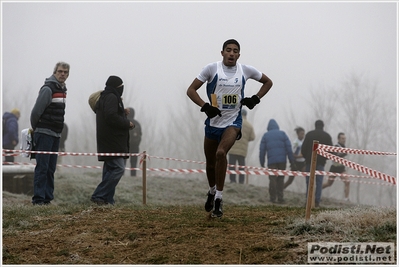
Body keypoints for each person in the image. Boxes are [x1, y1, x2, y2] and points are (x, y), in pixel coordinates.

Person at [186, 39, 273, 218]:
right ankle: (211, 191)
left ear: (238, 55)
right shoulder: (211, 69)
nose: (232, 53)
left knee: (220, 154)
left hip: (233, 123)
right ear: (222, 52)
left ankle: (219, 198)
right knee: (210, 164)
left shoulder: (245, 70)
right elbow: (191, 90)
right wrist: (205, 106)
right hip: (213, 123)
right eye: (228, 50)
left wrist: (255, 99)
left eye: (235, 51)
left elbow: (268, 82)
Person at [30, 61, 70, 205]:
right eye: (60, 71)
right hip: (44, 132)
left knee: (51, 168)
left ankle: (47, 198)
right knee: (42, 167)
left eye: (65, 72)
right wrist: (37, 129)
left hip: (56, 134)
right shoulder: (48, 89)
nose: (62, 74)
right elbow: (36, 112)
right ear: (55, 72)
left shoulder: (63, 89)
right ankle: (39, 199)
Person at [91, 76, 135, 205]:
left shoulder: (105, 97)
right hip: (113, 141)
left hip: (107, 140)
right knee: (118, 168)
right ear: (117, 87)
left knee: (110, 169)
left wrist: (122, 111)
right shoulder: (112, 97)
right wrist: (127, 123)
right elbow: (111, 116)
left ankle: (107, 200)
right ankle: (99, 195)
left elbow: (110, 113)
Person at [259, 119, 295, 204]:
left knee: (272, 178)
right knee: (281, 178)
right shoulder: (283, 134)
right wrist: (292, 161)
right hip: (282, 161)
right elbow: (289, 148)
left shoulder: (266, 135)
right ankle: (280, 197)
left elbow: (262, 150)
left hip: (271, 161)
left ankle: (272, 198)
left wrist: (262, 161)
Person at [301, 120, 333, 208]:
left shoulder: (309, 134)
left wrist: (307, 158)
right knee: (319, 183)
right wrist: (324, 159)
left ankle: (308, 201)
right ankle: (317, 201)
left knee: (309, 182)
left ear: (315, 125)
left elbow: (303, 149)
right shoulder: (327, 136)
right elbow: (331, 150)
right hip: (320, 163)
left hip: (309, 162)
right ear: (323, 126)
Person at [228, 109, 255, 184]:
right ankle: (241, 181)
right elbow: (253, 137)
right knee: (241, 166)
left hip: (232, 148)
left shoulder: (234, 122)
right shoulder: (249, 126)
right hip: (242, 150)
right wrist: (246, 139)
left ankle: (232, 180)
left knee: (232, 165)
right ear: (246, 115)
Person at [322, 132, 350, 201]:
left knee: (347, 181)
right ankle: (316, 190)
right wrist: (343, 154)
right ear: (338, 139)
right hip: (334, 167)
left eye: (345, 138)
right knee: (329, 183)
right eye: (342, 138)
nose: (344, 140)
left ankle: (346, 199)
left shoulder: (344, 147)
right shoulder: (335, 147)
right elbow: (334, 157)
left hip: (341, 168)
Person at [126, 107, 142, 176]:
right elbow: (140, 135)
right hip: (135, 146)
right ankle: (133, 175)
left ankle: (121, 175)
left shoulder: (123, 121)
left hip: (124, 145)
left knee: (122, 162)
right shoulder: (137, 123)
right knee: (133, 163)